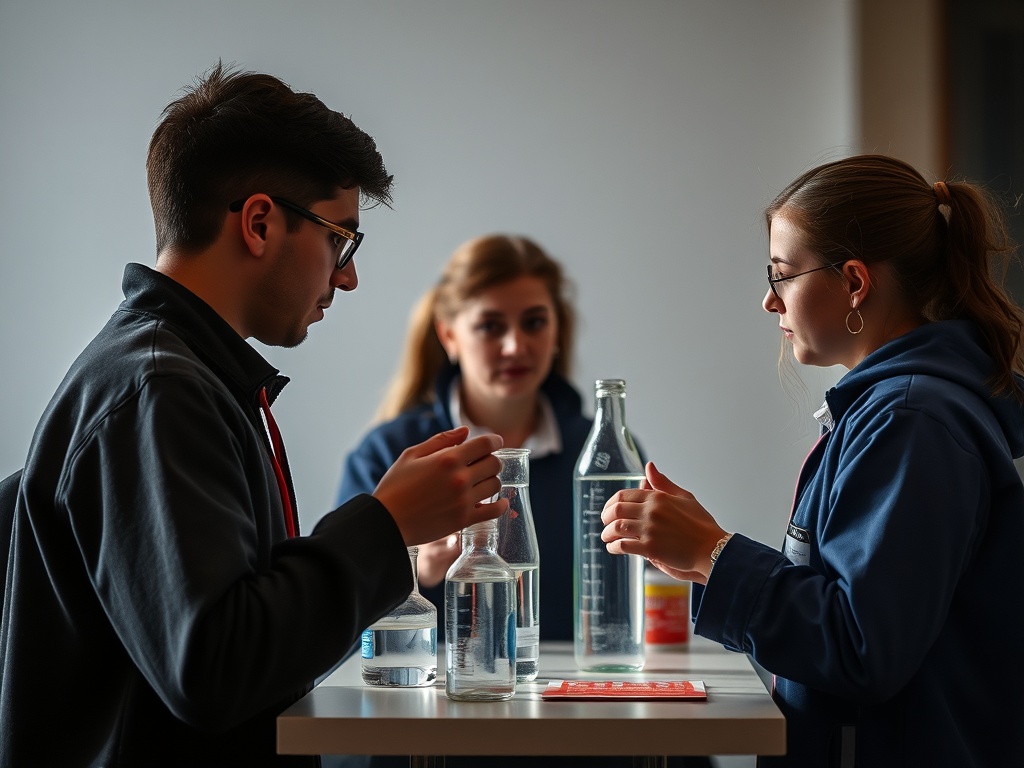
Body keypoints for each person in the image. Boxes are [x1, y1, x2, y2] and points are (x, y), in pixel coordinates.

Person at [0, 64, 509, 768]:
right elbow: (216, 667)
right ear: (260, 222)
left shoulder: (184, 377)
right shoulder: (158, 389)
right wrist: (386, 526)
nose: (348, 276)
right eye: (340, 239)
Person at [601, 154, 1024, 767]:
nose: (769, 302)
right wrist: (704, 558)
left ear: (854, 282)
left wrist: (714, 553)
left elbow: (861, 648)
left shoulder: (912, 421)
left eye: (781, 276)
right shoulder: (894, 411)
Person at [338, 234, 590, 642]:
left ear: (558, 331)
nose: (515, 346)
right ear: (449, 336)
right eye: (490, 326)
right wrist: (413, 571)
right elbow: (331, 623)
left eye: (534, 322)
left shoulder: (599, 459)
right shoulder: (386, 454)